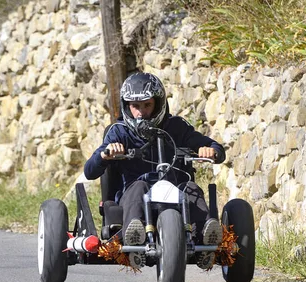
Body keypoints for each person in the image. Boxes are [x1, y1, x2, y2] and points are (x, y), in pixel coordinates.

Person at [84, 72, 225, 245]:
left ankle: (206, 233)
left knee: (191, 188)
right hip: (134, 195)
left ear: (158, 104)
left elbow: (215, 147)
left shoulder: (176, 127)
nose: (141, 113)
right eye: (135, 106)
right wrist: (105, 155)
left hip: (175, 193)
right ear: (126, 106)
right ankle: (135, 231)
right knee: (139, 186)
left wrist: (210, 151)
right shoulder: (119, 131)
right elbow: (89, 171)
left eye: (147, 105)